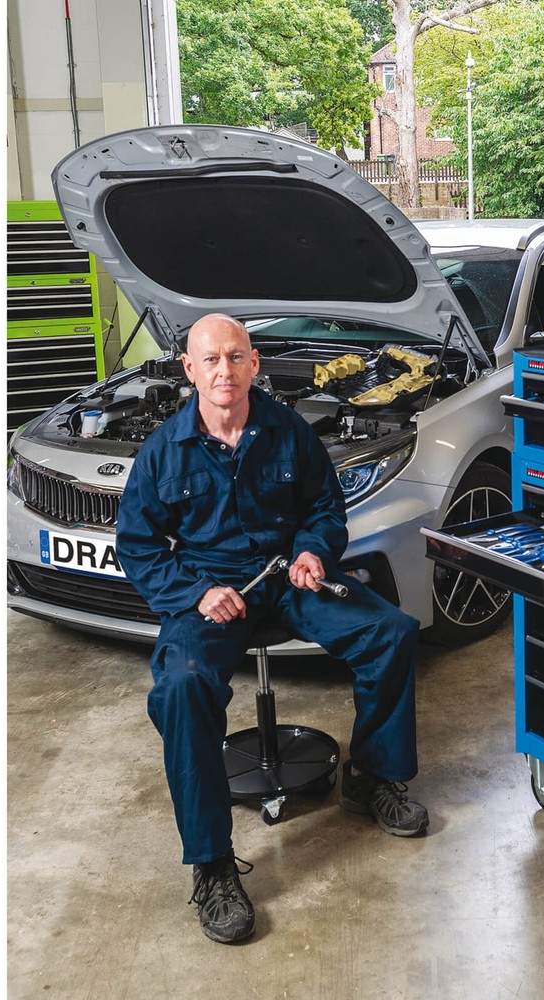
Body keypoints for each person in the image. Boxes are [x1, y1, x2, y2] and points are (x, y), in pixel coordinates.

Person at [116, 312, 428, 944]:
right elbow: (138, 547)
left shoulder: (289, 431)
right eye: (211, 359)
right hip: (212, 594)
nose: (224, 371)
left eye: (236, 356)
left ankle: (372, 777)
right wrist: (197, 593)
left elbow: (324, 508)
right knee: (181, 687)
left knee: (392, 632)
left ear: (254, 363)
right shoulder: (162, 451)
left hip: (288, 579)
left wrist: (314, 549)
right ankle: (212, 863)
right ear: (190, 369)